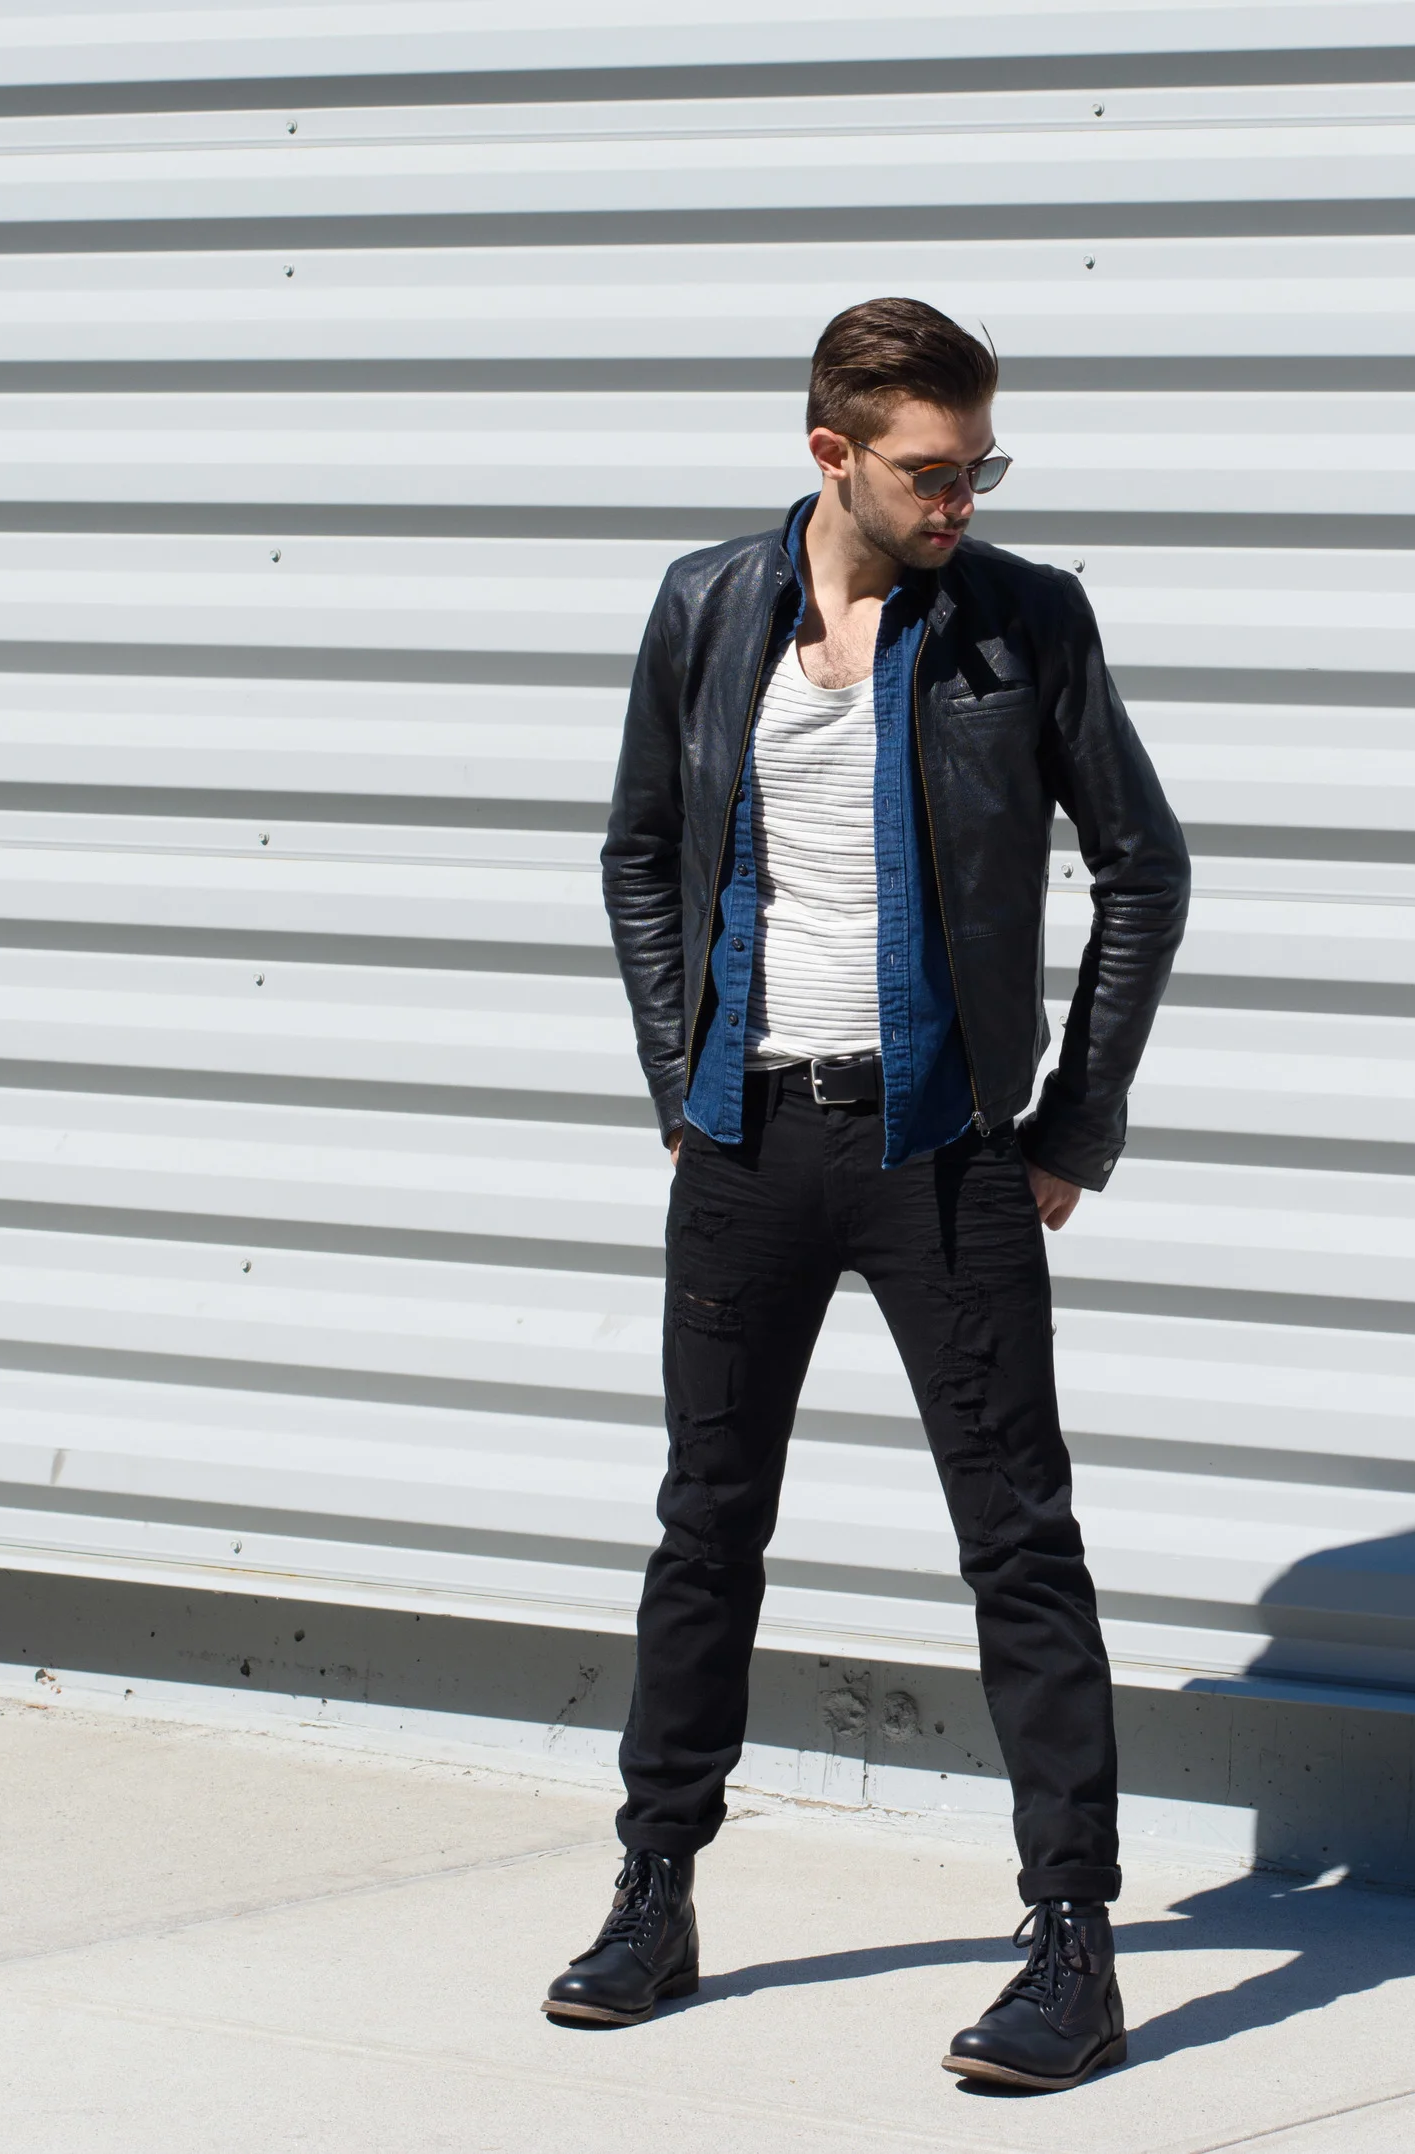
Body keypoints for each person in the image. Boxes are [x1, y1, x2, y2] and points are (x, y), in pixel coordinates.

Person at [547, 296, 1189, 2091]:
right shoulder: (705, 607)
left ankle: (1074, 1944)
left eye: (981, 466)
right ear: (832, 455)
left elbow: (1145, 867)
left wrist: (1072, 1124)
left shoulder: (1025, 622)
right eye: (931, 471)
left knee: (1020, 1543)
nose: (961, 498)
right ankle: (656, 1891)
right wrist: (680, 1077)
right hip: (748, 1141)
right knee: (705, 1527)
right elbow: (640, 851)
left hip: (943, 1150)